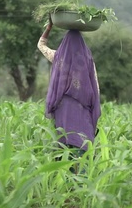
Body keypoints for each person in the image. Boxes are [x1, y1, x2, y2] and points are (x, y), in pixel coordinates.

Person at [37, 20, 101, 173]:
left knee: (65, 146)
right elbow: (96, 88)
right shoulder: (88, 62)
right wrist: (95, 111)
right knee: (83, 145)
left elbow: (41, 45)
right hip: (82, 111)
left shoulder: (58, 58)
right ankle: (83, 182)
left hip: (63, 111)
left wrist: (48, 28)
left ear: (64, 44)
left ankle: (66, 181)